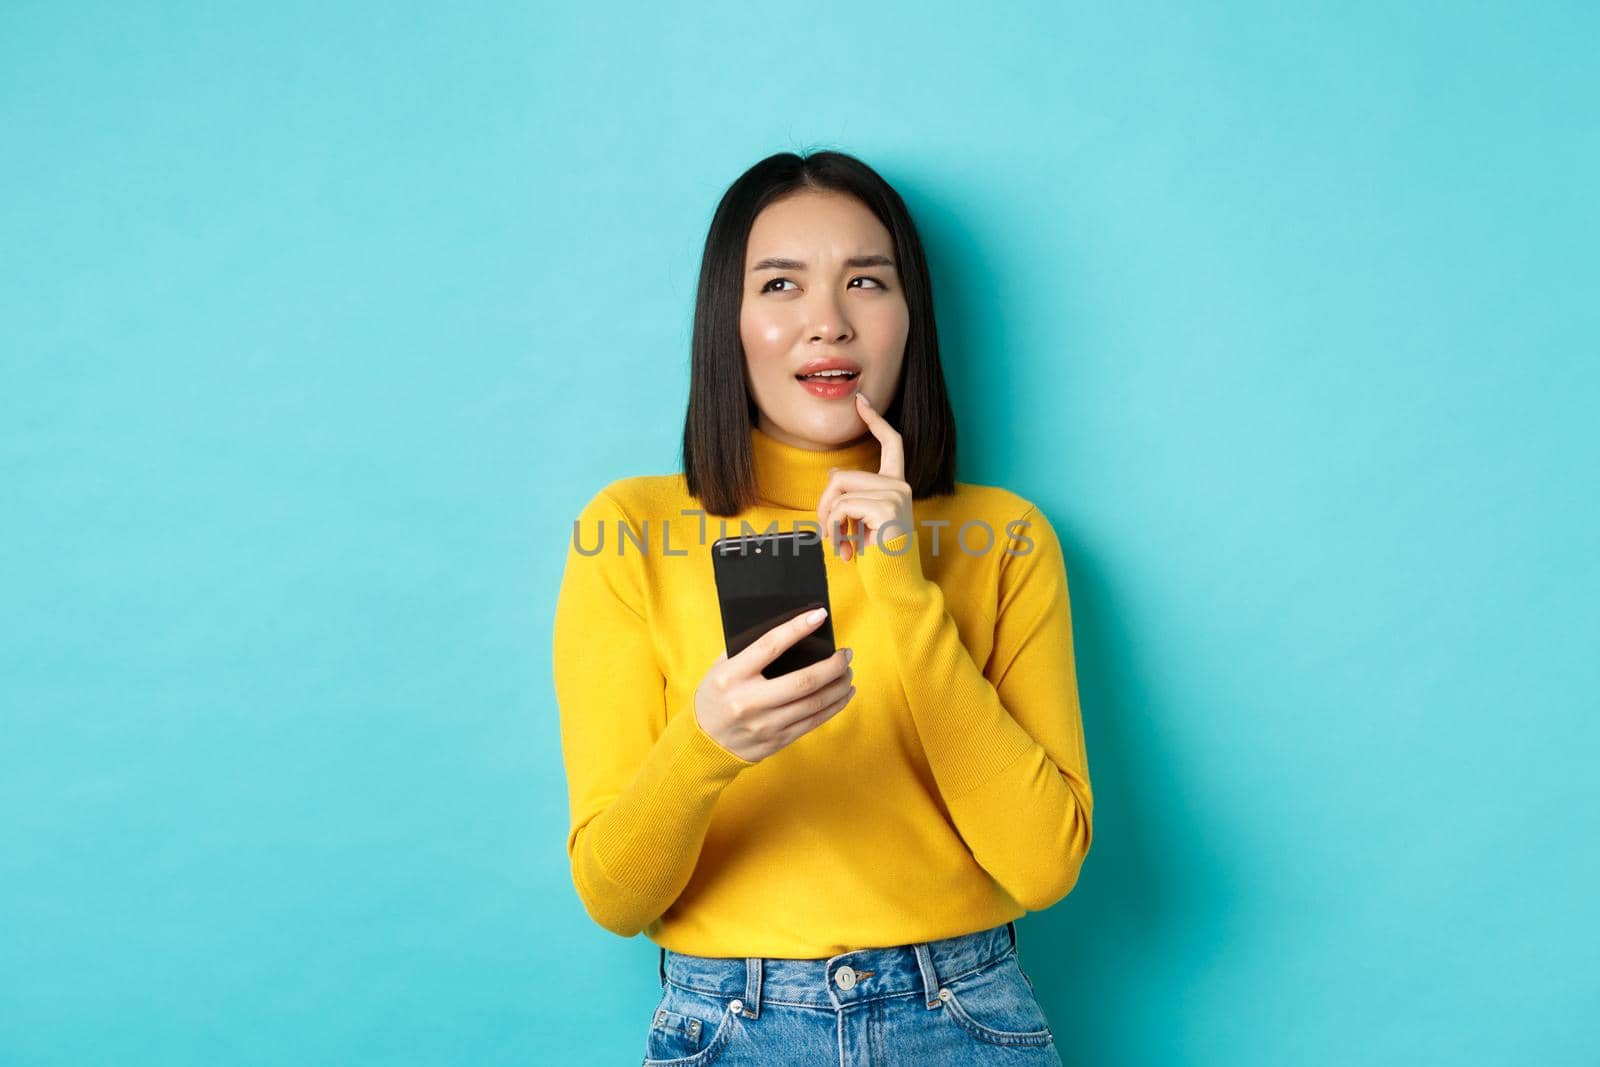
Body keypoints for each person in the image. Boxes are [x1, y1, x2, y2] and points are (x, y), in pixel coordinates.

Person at [552, 149, 1092, 1066]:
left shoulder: (1005, 537)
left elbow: (1045, 866)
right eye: (780, 284)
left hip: (963, 1017)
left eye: (866, 283)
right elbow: (615, 895)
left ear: (908, 317)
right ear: (729, 322)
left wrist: (901, 585)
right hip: (730, 1021)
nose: (827, 323)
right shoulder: (630, 529)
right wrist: (709, 741)